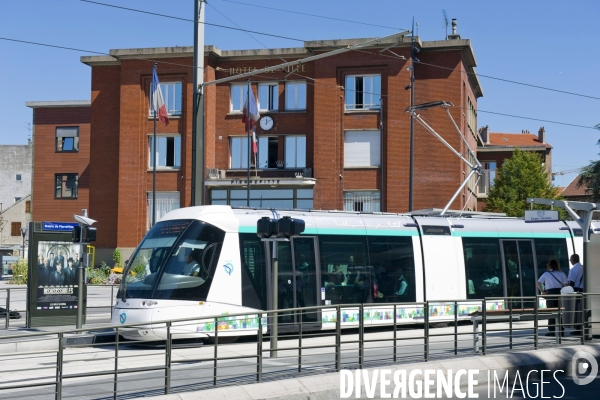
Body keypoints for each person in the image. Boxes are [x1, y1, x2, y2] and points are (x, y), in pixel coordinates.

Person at [537, 259, 568, 336]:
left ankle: (551, 330)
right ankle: (561, 330)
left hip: (550, 294)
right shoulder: (562, 273)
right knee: (560, 312)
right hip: (560, 293)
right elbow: (566, 285)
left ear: (549, 266)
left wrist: (542, 292)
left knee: (551, 312)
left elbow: (538, 283)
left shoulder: (546, 274)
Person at [568, 254, 584, 335]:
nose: (570, 261)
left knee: (577, 310)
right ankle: (582, 327)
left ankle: (578, 329)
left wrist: (569, 291)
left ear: (573, 260)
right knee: (582, 310)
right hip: (584, 291)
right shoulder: (583, 267)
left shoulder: (573, 269)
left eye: (570, 260)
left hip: (577, 291)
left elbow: (571, 282)